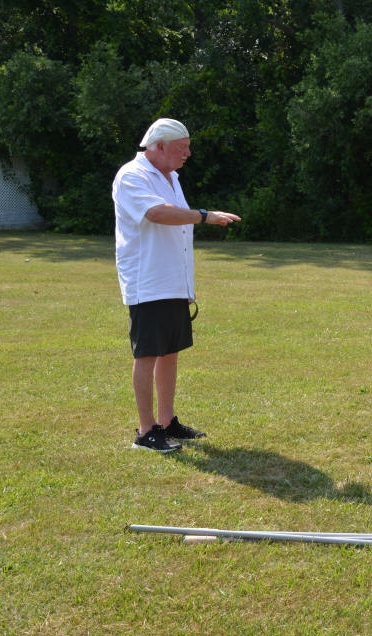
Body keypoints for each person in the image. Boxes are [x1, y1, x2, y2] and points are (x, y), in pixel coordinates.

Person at [113, 118, 240, 453]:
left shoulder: (171, 177)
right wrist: (204, 215)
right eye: (182, 147)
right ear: (159, 146)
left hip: (172, 281)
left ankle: (167, 422)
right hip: (148, 281)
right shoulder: (132, 175)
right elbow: (157, 213)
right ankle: (146, 432)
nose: (188, 153)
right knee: (147, 354)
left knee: (170, 351)